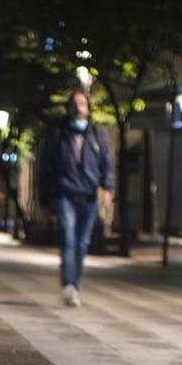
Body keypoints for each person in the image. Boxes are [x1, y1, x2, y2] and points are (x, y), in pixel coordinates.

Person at [36, 89, 114, 306]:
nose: (78, 107)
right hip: (65, 194)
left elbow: (107, 163)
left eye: (82, 103)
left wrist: (106, 188)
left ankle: (74, 285)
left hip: (88, 195)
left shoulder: (97, 135)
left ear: (88, 108)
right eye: (75, 103)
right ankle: (69, 285)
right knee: (68, 238)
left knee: (82, 243)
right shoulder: (58, 134)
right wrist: (43, 200)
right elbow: (46, 167)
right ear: (69, 108)